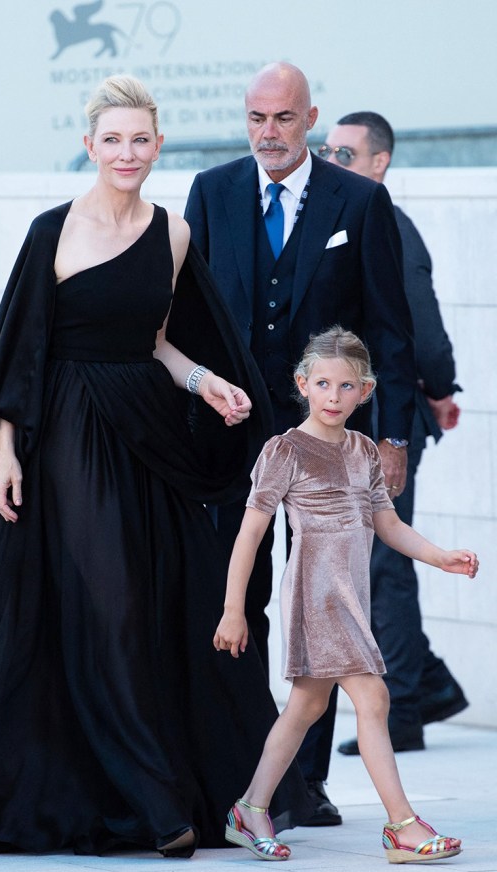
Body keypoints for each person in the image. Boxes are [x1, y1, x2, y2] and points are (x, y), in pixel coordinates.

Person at [0, 75, 312, 860]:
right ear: (90, 145)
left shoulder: (172, 233)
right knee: (110, 608)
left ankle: (189, 787)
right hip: (67, 435)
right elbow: (18, 353)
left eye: (140, 140)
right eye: (112, 140)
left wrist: (208, 382)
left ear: (158, 146)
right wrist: (4, 454)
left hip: (146, 433)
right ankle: (157, 804)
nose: (126, 153)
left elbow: (157, 341)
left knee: (173, 605)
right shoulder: (50, 231)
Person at [184, 61, 417, 826]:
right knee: (235, 599)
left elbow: (390, 324)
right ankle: (244, 773)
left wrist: (391, 437)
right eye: (256, 118)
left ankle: (305, 787)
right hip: (231, 439)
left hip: (332, 445)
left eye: (283, 118)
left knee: (325, 604)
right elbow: (187, 323)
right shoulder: (212, 193)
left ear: (310, 118)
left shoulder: (361, 201)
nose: (269, 134)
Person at [214, 326, 478, 864]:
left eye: (347, 386)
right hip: (316, 595)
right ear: (302, 384)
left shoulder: (363, 451)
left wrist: (439, 555)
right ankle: (402, 826)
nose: (334, 397)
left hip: (350, 594)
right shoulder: (284, 451)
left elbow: (387, 523)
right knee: (374, 697)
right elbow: (250, 534)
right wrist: (233, 609)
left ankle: (250, 808)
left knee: (307, 705)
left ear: (367, 390)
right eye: (323, 384)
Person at [318, 112, 468, 756]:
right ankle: (427, 684)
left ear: (381, 163)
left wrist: (440, 388)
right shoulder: (341, 218)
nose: (335, 163)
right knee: (373, 563)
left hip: (389, 422)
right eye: (329, 153)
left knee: (385, 564)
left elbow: (419, 327)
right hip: (357, 417)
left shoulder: (387, 223)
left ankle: (404, 707)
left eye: (347, 154)